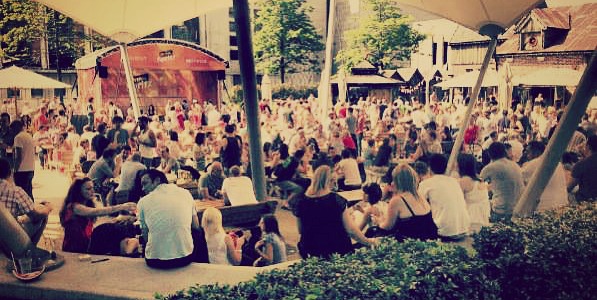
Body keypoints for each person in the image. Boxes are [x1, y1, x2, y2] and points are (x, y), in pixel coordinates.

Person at [294, 165, 374, 259]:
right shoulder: (336, 201)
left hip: (311, 249)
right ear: (330, 181)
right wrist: (368, 241)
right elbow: (350, 230)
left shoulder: (301, 202)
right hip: (336, 249)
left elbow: (300, 230)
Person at [138, 169, 206, 268]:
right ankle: (202, 263)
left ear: (157, 180)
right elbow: (195, 226)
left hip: (155, 261)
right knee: (199, 230)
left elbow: (145, 235)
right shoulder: (186, 193)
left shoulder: (143, 202)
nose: (143, 188)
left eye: (145, 183)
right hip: (185, 258)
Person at [59, 178, 136, 253]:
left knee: (117, 227)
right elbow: (98, 211)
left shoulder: (86, 204)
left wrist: (117, 220)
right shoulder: (74, 207)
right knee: (109, 230)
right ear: (78, 191)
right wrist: (122, 206)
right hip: (75, 248)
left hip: (85, 243)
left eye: (92, 188)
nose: (92, 191)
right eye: (88, 189)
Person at [374, 164, 438, 241]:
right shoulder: (419, 195)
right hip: (427, 240)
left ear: (398, 182)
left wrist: (378, 222)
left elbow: (387, 227)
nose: (391, 183)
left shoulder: (397, 200)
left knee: (372, 232)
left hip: (411, 244)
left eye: (393, 180)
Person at [0, 158, 52, 252]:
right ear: (10, 173)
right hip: (9, 240)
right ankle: (28, 252)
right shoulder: (15, 190)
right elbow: (35, 216)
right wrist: (48, 208)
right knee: (42, 216)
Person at [418, 154, 470, 241]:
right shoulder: (454, 181)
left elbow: (417, 205)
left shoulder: (426, 183)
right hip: (464, 227)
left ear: (429, 168)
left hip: (444, 232)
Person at [480, 142, 524, 222]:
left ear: (489, 154)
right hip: (518, 207)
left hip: (502, 211)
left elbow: (477, 186)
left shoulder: (490, 167)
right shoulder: (515, 165)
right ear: (505, 152)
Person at [521, 141, 568, 212]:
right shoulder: (558, 164)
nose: (526, 155)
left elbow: (518, 180)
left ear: (536, 152)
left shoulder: (534, 164)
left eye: (528, 152)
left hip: (544, 210)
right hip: (563, 206)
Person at [457, 154, 490, 233]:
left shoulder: (464, 181)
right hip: (482, 216)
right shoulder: (478, 178)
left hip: (472, 217)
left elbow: (458, 202)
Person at [11, 120, 36, 201]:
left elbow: (18, 156)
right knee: (28, 193)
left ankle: (27, 211)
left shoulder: (18, 138)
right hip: (30, 168)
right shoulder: (29, 136)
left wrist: (15, 170)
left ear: (16, 127)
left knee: (21, 195)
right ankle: (32, 210)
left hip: (21, 170)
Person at [568, 135, 597, 203]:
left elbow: (569, 187)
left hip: (585, 202)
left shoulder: (582, 164)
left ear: (588, 147)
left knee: (569, 195)